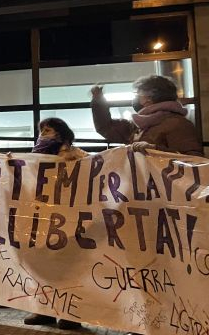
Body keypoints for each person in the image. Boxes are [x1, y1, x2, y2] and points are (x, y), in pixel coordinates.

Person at [23, 117, 85, 330]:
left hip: (66, 217)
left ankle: (71, 312)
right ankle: (44, 309)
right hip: (41, 216)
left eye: (48, 130)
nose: (43, 134)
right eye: (42, 131)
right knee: (43, 266)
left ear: (60, 133)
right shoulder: (33, 158)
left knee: (68, 266)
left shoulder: (76, 155)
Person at [91, 75, 202, 156]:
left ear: (149, 98)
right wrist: (98, 101)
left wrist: (155, 149)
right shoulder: (139, 124)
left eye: (138, 94)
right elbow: (107, 127)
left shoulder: (178, 124)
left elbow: (193, 158)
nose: (137, 98)